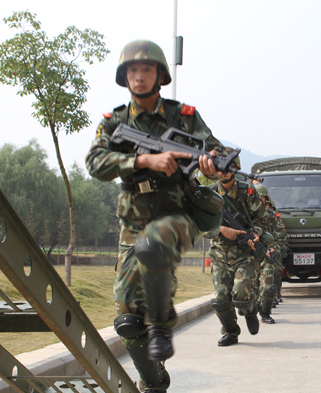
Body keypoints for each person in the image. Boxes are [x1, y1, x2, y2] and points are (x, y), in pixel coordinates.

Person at [85, 40, 225, 392]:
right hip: (132, 224)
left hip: (178, 215)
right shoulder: (114, 121)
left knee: (154, 245)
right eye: (132, 70)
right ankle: (154, 380)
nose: (139, 76)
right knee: (128, 321)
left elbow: (215, 154)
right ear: (124, 77)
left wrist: (210, 167)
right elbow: (95, 163)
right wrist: (144, 160)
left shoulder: (185, 117)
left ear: (160, 75)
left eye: (147, 69)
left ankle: (162, 324)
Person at [205, 149, 269, 346]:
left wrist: (256, 234)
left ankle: (250, 311)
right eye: (218, 168)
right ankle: (231, 332)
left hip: (245, 254)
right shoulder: (208, 193)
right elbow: (197, 224)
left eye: (225, 168)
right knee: (221, 301)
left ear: (234, 169)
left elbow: (262, 219)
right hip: (220, 255)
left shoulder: (248, 192)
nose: (222, 172)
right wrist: (222, 230)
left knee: (242, 296)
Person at [253, 183, 286, 323]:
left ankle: (265, 314)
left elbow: (282, 236)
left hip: (267, 255)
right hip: (249, 256)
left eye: (261, 198)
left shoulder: (271, 217)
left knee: (268, 287)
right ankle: (251, 311)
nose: (259, 201)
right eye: (256, 198)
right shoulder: (246, 216)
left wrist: (274, 248)